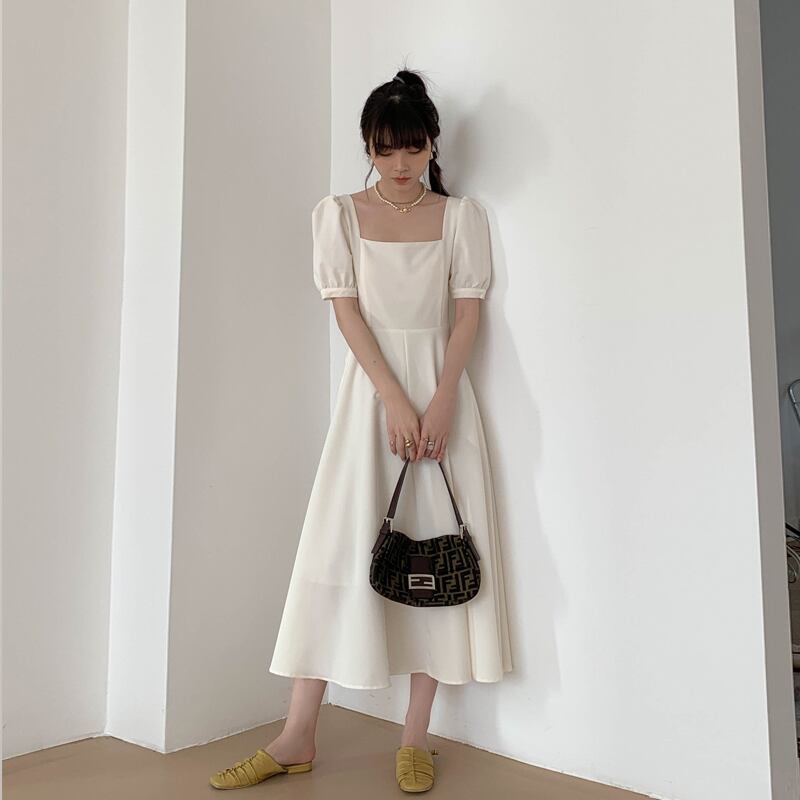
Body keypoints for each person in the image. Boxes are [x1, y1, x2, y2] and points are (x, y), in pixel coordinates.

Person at [210, 67, 512, 793]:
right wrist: (393, 399)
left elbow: (466, 314)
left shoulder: (460, 218)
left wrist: (441, 398)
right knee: (338, 550)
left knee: (439, 555)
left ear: (432, 143)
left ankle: (415, 738)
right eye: (384, 149)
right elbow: (346, 312)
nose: (399, 163)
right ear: (368, 148)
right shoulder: (339, 215)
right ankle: (297, 735)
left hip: (444, 401)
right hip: (370, 400)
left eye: (411, 147)